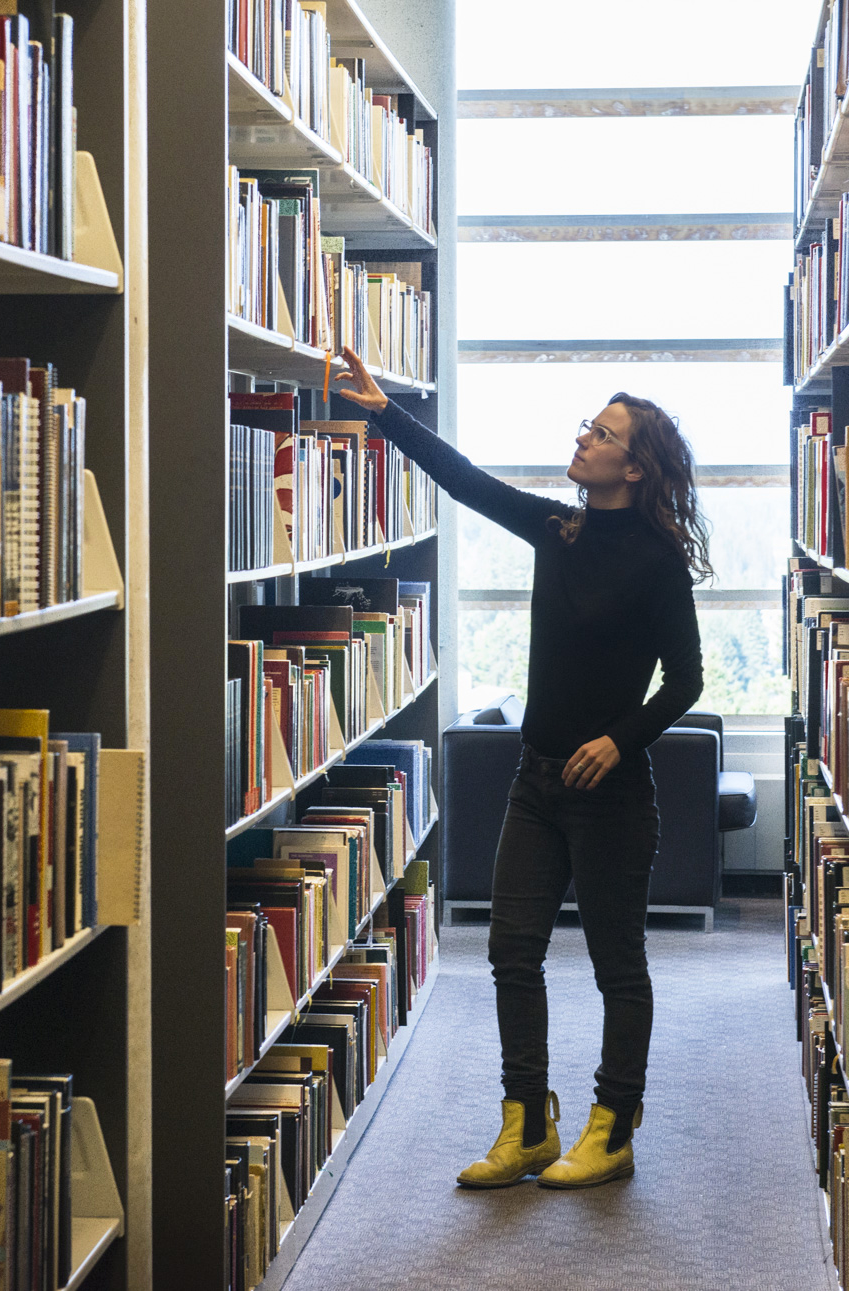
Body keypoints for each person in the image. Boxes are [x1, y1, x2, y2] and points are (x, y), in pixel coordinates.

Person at [335, 346, 708, 1190]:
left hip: (612, 794)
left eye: (601, 432)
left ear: (635, 465)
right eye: (587, 425)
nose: (582, 438)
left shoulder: (657, 561)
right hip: (534, 782)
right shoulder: (558, 528)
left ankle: (612, 1127)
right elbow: (465, 481)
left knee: (619, 964)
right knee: (511, 951)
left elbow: (686, 680)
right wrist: (383, 412)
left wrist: (620, 739)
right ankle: (529, 1123)